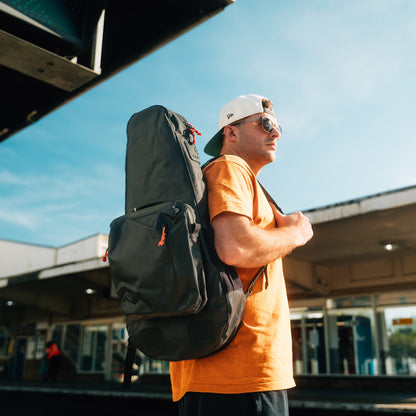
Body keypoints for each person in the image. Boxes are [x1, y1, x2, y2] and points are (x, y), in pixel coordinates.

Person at [170, 94, 313, 415]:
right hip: (237, 376)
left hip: (226, 375)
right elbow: (237, 247)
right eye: (265, 124)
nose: (275, 133)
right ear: (230, 133)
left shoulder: (240, 180)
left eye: (277, 127)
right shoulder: (230, 167)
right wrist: (296, 233)